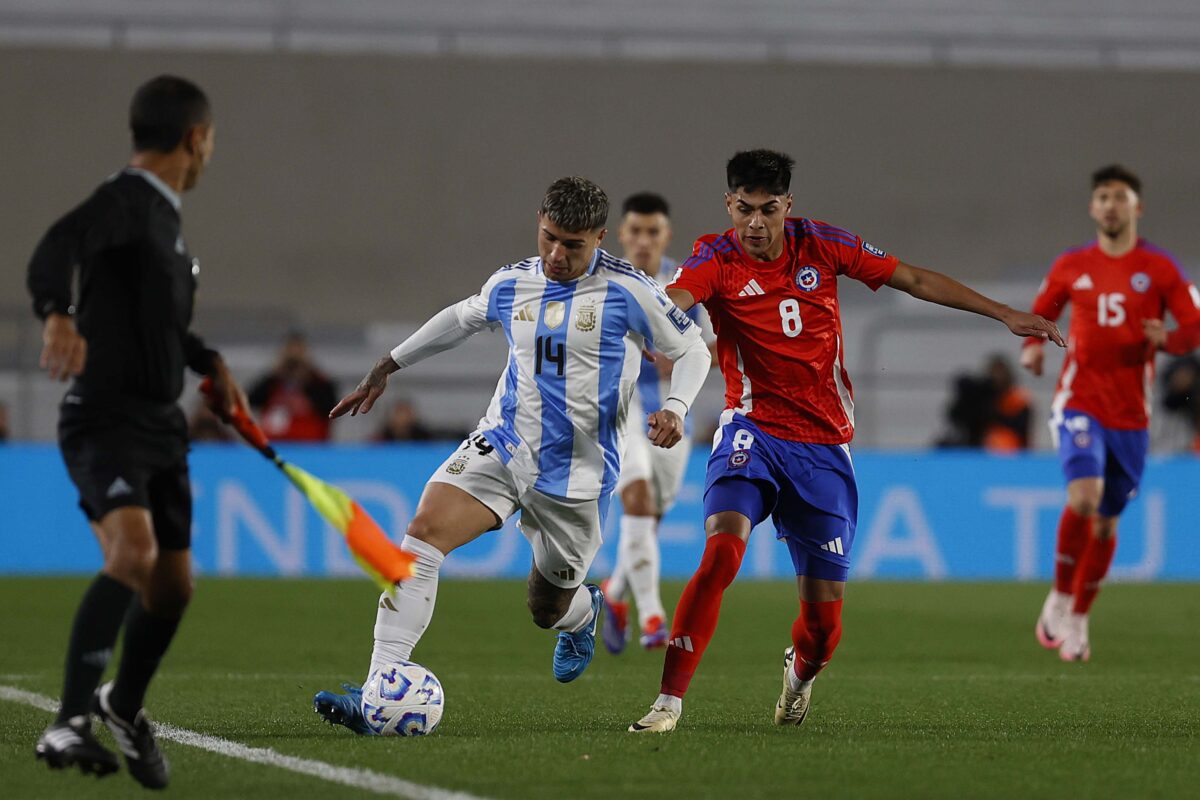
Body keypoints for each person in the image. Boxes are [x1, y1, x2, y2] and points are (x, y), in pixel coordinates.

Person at [628, 149, 1063, 733]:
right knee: (721, 550)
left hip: (824, 449)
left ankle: (800, 674)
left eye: (768, 210)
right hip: (750, 430)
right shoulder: (715, 255)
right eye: (745, 210)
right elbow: (675, 301)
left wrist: (1003, 313)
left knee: (823, 629)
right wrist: (648, 329)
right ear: (729, 203)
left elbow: (911, 278)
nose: (755, 224)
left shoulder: (823, 244)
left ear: (788, 205)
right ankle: (668, 702)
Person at [312, 177, 710, 734]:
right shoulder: (514, 281)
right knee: (423, 535)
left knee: (546, 607)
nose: (556, 254)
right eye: (549, 238)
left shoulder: (631, 292)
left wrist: (675, 404)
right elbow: (459, 319)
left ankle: (583, 613)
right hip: (503, 445)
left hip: (578, 476)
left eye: (573, 244)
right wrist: (388, 365)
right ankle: (382, 685)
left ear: (599, 238)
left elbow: (690, 347)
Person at [26, 76, 246, 787]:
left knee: (174, 589)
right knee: (134, 552)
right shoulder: (127, 201)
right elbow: (58, 244)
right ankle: (67, 723)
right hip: (105, 419)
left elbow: (163, 330)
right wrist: (55, 311)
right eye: (211, 140)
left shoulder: (167, 227)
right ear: (196, 139)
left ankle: (121, 704)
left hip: (161, 428)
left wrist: (208, 363)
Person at [1027, 165, 1200, 662]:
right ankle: (1059, 596)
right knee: (1084, 498)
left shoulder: (1161, 269)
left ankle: (1080, 615)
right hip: (1079, 401)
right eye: (1102, 196)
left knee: (1105, 525)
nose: (1109, 205)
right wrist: (1035, 349)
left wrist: (1168, 339)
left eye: (1119, 197)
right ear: (1092, 207)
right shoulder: (1072, 264)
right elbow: (1042, 314)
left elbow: (1192, 328)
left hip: (1132, 415)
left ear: (1136, 207)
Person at [603, 192, 712, 653]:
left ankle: (614, 593)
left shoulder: (686, 284)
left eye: (653, 232)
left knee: (650, 516)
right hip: (618, 410)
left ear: (666, 236)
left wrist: (681, 358)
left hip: (670, 415)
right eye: (636, 231)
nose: (644, 240)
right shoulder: (605, 281)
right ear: (621, 235)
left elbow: (705, 348)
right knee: (639, 500)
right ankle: (653, 617)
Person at [247, 332, 338, 441]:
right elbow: (250, 400)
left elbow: (330, 407)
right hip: (276, 444)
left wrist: (305, 378)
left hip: (311, 446)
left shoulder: (319, 383)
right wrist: (275, 374)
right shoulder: (273, 382)